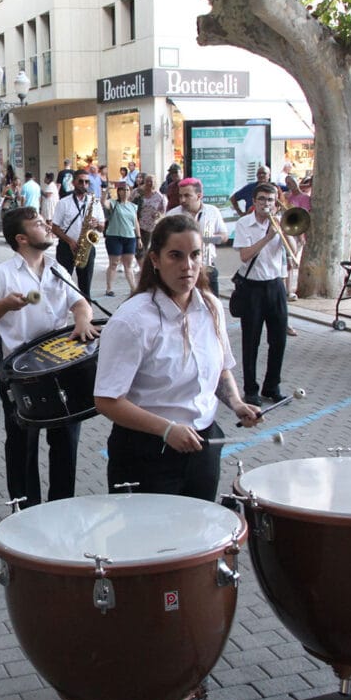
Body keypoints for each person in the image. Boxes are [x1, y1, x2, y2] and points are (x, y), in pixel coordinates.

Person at [94, 214, 263, 502]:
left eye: (195, 255)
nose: (188, 266)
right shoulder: (132, 320)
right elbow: (107, 400)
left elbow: (220, 368)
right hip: (147, 453)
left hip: (203, 446)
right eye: (175, 256)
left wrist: (236, 403)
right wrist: (167, 429)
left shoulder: (210, 306)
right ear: (155, 260)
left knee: (198, 535)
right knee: (150, 544)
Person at [0, 207, 98, 508]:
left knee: (66, 443)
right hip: (22, 374)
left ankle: (61, 508)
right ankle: (25, 511)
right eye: (39, 224)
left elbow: (80, 302)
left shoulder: (56, 268)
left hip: (62, 368)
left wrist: (82, 318)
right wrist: (3, 305)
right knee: (21, 446)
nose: (47, 227)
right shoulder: (1, 275)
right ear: (21, 238)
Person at [230, 182, 294, 405]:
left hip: (275, 285)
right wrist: (268, 236)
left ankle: (272, 386)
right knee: (251, 341)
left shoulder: (279, 223)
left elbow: (293, 253)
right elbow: (245, 255)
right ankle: (250, 389)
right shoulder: (244, 224)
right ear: (254, 202)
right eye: (262, 199)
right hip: (252, 288)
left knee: (279, 340)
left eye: (270, 200)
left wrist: (288, 232)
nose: (267, 204)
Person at [167, 177, 228, 297]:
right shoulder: (172, 215)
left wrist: (208, 239)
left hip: (207, 265)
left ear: (199, 196)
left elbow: (224, 236)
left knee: (212, 304)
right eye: (180, 196)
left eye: (187, 196)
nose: (182, 200)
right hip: (183, 267)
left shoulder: (212, 211)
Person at [50, 172, 106, 299]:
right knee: (63, 284)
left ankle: (86, 315)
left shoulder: (94, 202)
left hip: (86, 247)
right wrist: (70, 241)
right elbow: (55, 228)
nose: (84, 185)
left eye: (87, 182)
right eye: (81, 181)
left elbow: (102, 228)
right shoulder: (63, 203)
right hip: (66, 247)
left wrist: (97, 224)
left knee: (85, 287)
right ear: (73, 182)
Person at [102, 182, 139, 298]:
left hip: (130, 237)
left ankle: (133, 288)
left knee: (128, 264)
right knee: (114, 263)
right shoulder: (114, 203)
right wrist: (107, 189)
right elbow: (103, 202)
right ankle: (109, 288)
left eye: (128, 190)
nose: (125, 192)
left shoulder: (133, 206)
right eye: (123, 190)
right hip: (114, 236)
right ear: (119, 191)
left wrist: (139, 237)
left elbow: (136, 222)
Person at [136, 173, 166, 254]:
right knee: (136, 247)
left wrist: (158, 215)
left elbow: (162, 211)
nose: (149, 183)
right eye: (147, 181)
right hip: (136, 223)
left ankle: (143, 263)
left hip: (150, 226)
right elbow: (129, 202)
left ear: (155, 183)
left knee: (145, 248)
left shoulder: (159, 196)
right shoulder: (138, 192)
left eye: (151, 181)